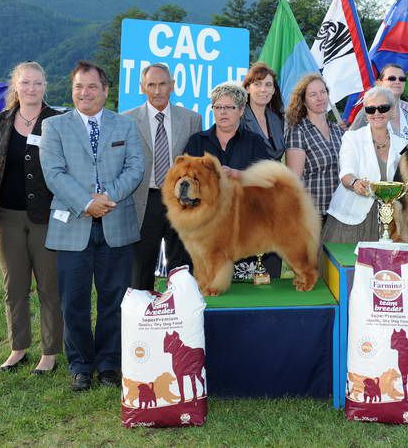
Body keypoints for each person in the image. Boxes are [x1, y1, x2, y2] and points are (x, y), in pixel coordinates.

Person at [39, 61, 144, 391]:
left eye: (92, 87)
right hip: (73, 223)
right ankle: (81, 364)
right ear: (72, 90)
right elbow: (54, 173)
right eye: (78, 87)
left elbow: (135, 167)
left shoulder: (124, 126)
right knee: (74, 300)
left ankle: (110, 363)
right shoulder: (54, 127)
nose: (84, 93)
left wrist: (107, 197)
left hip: (117, 223)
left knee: (114, 298)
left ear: (106, 91)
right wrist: (87, 203)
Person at [0, 61, 62, 374]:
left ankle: (50, 351)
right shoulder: (0, 121)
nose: (31, 89)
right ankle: (18, 348)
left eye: (37, 83)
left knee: (49, 285)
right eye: (25, 83)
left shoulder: (58, 121)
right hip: (7, 216)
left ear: (45, 86)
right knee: (14, 285)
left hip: (46, 217)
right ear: (15, 86)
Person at [184, 82, 278, 280]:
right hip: (207, 228)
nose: (223, 112)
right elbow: (185, 182)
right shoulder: (197, 142)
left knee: (244, 296)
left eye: (229, 107)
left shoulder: (255, 142)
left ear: (241, 110)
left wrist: (239, 175)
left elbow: (267, 180)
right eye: (218, 107)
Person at [123, 63, 201, 290]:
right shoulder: (126, 120)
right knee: (140, 269)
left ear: (172, 86)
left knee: (182, 269)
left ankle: (180, 316)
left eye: (162, 84)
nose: (157, 90)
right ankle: (142, 319)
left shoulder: (191, 119)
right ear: (142, 87)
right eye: (151, 85)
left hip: (180, 202)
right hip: (143, 201)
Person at [322, 86, 406, 243]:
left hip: (390, 223)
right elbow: (346, 172)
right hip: (349, 220)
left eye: (383, 107)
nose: (377, 113)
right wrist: (355, 183)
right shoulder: (351, 138)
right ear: (365, 114)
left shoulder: (403, 145)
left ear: (392, 110)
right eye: (371, 109)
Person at [285, 74, 344, 218]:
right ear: (303, 101)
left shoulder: (338, 131)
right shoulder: (298, 131)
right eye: (313, 94)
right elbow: (294, 180)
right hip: (311, 214)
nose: (320, 98)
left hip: (339, 213)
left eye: (323, 92)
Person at [351, 64, 408, 141]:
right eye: (392, 78)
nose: (397, 81)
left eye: (402, 79)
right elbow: (352, 142)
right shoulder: (368, 112)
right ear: (379, 83)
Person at [242, 63, 285, 160]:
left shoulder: (279, 119)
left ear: (273, 90)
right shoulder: (239, 118)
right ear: (247, 88)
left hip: (276, 174)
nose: (263, 89)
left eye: (268, 85)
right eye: (257, 84)